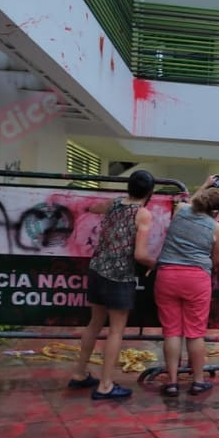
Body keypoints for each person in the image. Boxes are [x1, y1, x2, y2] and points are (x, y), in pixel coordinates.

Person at [68, 170, 156, 399]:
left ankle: (79, 374)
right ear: (149, 192)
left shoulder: (115, 203)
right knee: (116, 331)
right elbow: (140, 254)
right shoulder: (143, 214)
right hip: (119, 275)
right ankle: (105, 385)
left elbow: (93, 208)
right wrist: (154, 263)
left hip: (97, 268)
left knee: (94, 323)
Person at [154, 175, 219, 397]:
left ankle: (173, 383)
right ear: (217, 210)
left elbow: (190, 202)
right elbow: (216, 260)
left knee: (171, 332)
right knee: (195, 334)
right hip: (196, 280)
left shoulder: (181, 212)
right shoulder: (216, 227)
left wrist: (204, 184)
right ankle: (197, 381)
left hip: (166, 276)